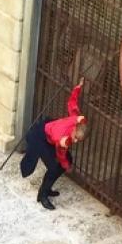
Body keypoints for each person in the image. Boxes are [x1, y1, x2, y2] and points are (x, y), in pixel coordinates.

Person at [20, 77, 88, 210]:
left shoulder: (77, 120)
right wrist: (66, 166)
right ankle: (42, 195)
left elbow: (72, 103)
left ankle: (46, 188)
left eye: (78, 140)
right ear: (74, 129)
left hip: (50, 132)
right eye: (75, 137)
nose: (75, 141)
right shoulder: (62, 138)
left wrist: (78, 87)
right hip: (42, 137)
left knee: (67, 160)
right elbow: (60, 153)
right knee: (54, 167)